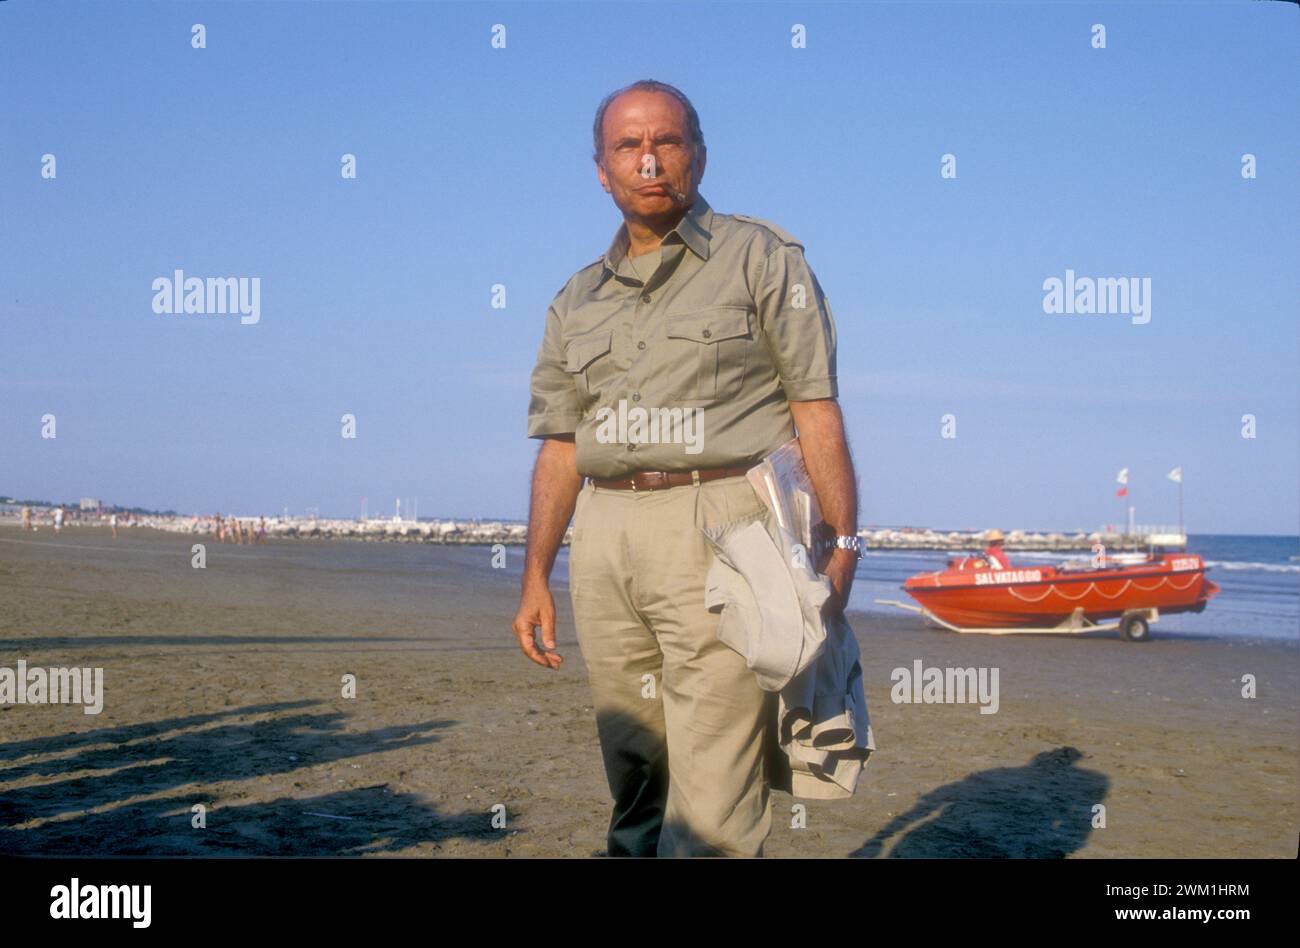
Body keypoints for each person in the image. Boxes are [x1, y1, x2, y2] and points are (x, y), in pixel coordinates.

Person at [512, 80, 861, 858]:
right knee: (636, 768)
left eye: (666, 142)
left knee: (712, 793)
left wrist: (843, 547)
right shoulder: (575, 299)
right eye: (627, 147)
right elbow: (561, 446)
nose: (649, 161)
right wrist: (537, 573)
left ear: (698, 156)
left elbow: (815, 409)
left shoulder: (762, 258)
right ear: (601, 170)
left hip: (724, 525)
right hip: (603, 541)